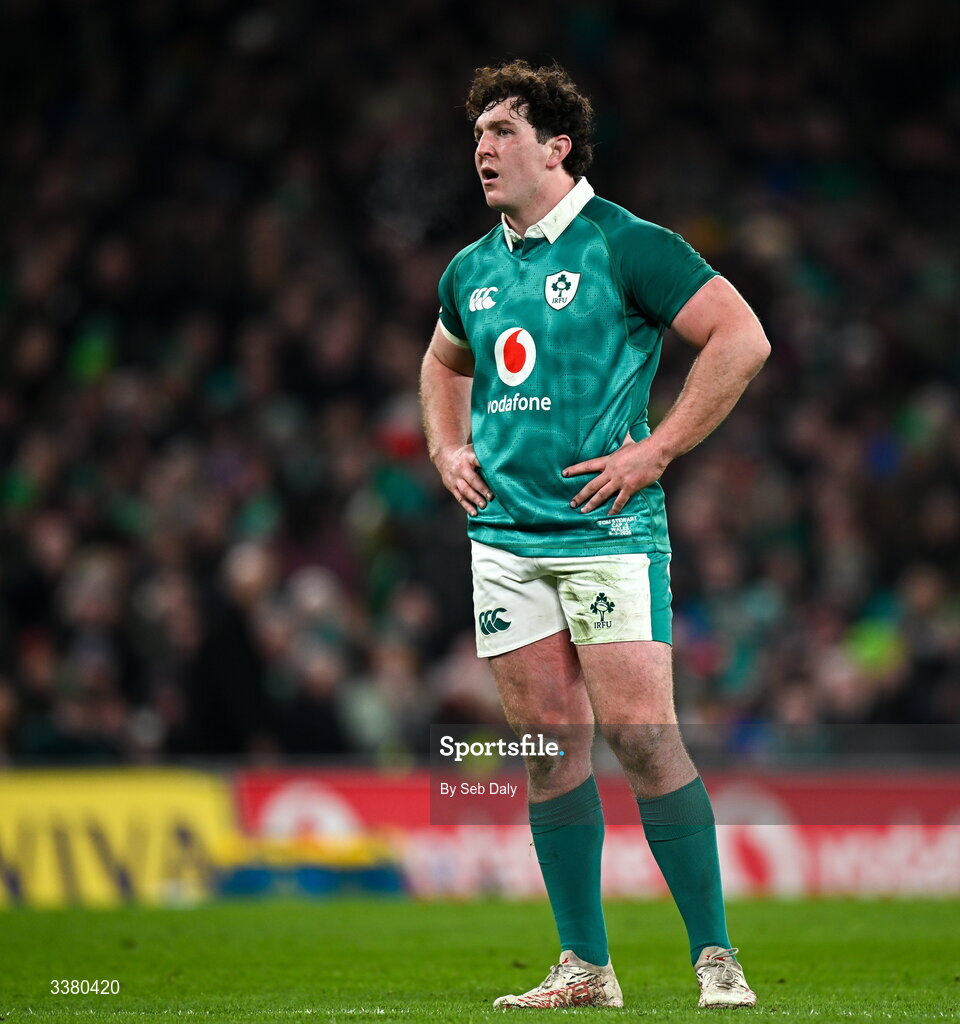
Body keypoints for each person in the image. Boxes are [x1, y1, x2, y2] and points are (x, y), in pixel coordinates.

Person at [419, 59, 769, 1010]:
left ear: (556, 146)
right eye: (477, 135)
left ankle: (715, 957)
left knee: (644, 740)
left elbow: (741, 336)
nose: (482, 149)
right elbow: (442, 361)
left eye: (501, 132)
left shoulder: (628, 244)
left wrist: (656, 450)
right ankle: (586, 969)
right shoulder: (473, 269)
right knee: (546, 749)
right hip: (504, 538)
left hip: (606, 530)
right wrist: (448, 447)